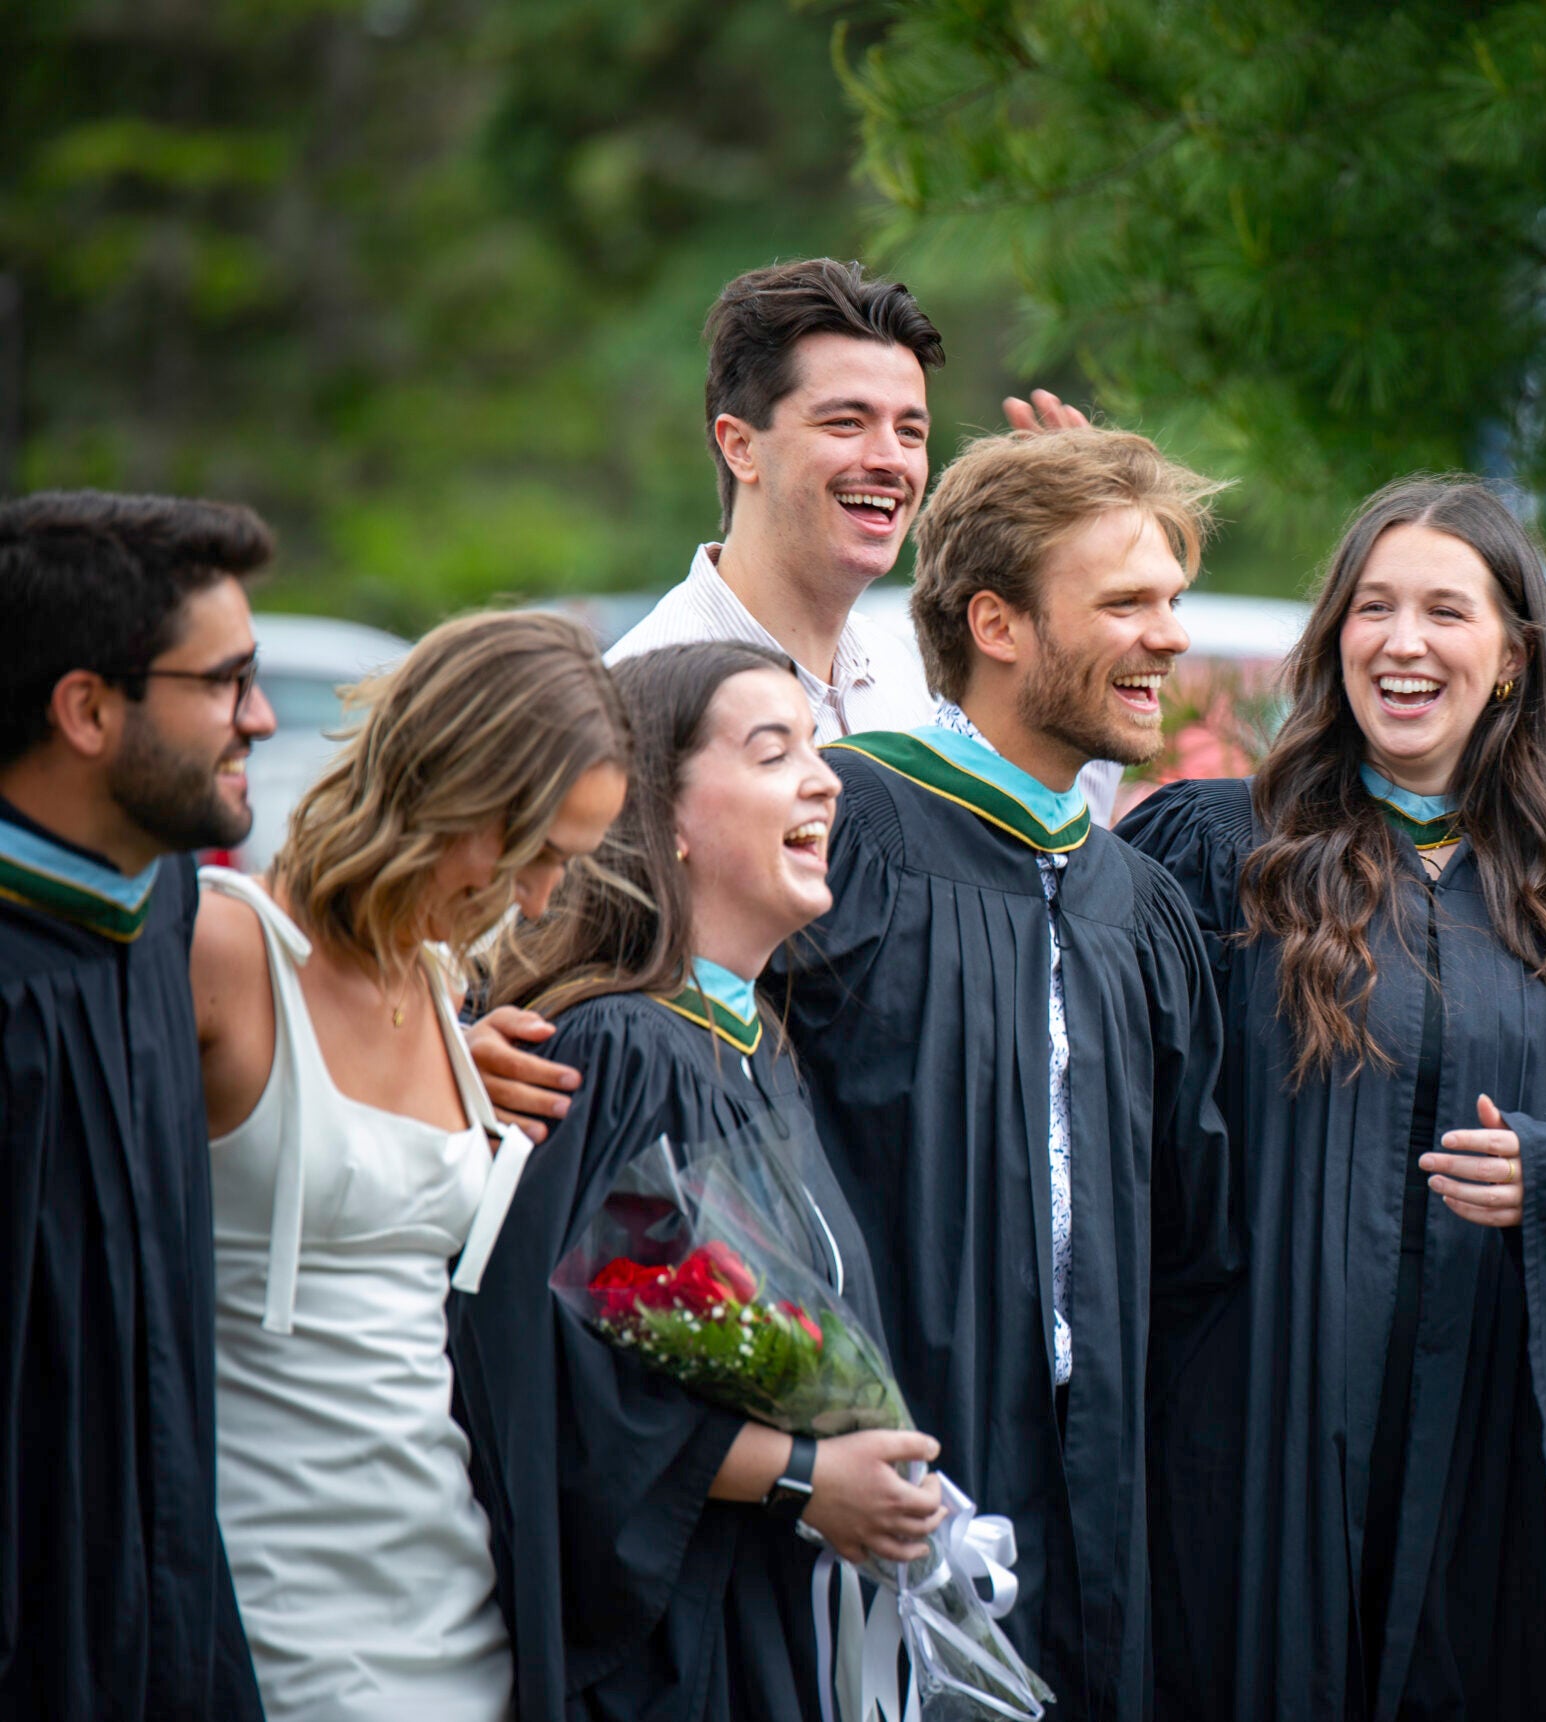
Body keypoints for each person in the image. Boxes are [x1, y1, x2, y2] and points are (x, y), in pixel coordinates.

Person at [1119, 477, 1546, 1721]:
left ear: (1511, 657)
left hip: (1497, 1470)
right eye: (1372, 608)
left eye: (1445, 612)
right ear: (1333, 639)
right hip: (1254, 1457)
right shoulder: (1213, 856)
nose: (1404, 643)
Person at [765, 427, 1233, 1719]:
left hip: (1099, 1499)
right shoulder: (840, 822)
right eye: (1127, 602)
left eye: (1174, 602)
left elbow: (1194, 1229)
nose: (1170, 636)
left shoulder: (1139, 900)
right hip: (887, 1473)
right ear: (999, 623)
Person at [476, 257, 1122, 1143]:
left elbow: (1040, 880)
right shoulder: (632, 698)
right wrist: (463, 1049)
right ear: (739, 444)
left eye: (909, 429)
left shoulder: (920, 682)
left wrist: (1086, 582)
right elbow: (495, 949)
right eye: (845, 422)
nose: (888, 460)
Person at [450, 640, 949, 1720]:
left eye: (816, 748)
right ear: (660, 816)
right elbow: (567, 1391)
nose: (823, 779)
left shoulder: (754, 1046)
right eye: (774, 755)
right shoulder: (623, 1051)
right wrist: (808, 1477)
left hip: (769, 1620)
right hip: (679, 1654)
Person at [188, 610, 631, 1718]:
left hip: (450, 1592)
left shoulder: (439, 987)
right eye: (530, 853)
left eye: (565, 867)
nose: (535, 899)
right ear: (451, 788)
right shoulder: (221, 950)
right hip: (266, 1607)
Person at [0, 489, 275, 1717]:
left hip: (174, 1635)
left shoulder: (158, 913)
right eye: (223, 684)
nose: (260, 720)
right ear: (87, 710)